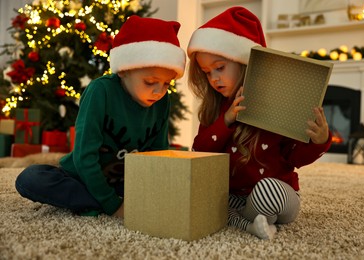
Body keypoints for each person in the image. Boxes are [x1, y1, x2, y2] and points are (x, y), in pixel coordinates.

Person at [15, 15, 186, 218]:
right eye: (150, 82)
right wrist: (113, 205)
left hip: (125, 183)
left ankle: (92, 203)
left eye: (167, 84)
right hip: (83, 176)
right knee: (31, 178)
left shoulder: (162, 101)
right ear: (123, 70)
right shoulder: (100, 91)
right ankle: (98, 202)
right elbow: (84, 156)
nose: (159, 91)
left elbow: (159, 154)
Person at [187, 6, 332, 240]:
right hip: (234, 194)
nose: (214, 78)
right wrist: (226, 121)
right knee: (200, 195)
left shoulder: (275, 104)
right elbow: (200, 151)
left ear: (243, 63)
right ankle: (250, 223)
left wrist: (320, 140)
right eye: (206, 72)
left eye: (220, 68)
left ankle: (241, 218)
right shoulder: (216, 109)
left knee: (268, 191)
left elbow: (295, 158)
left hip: (277, 193)